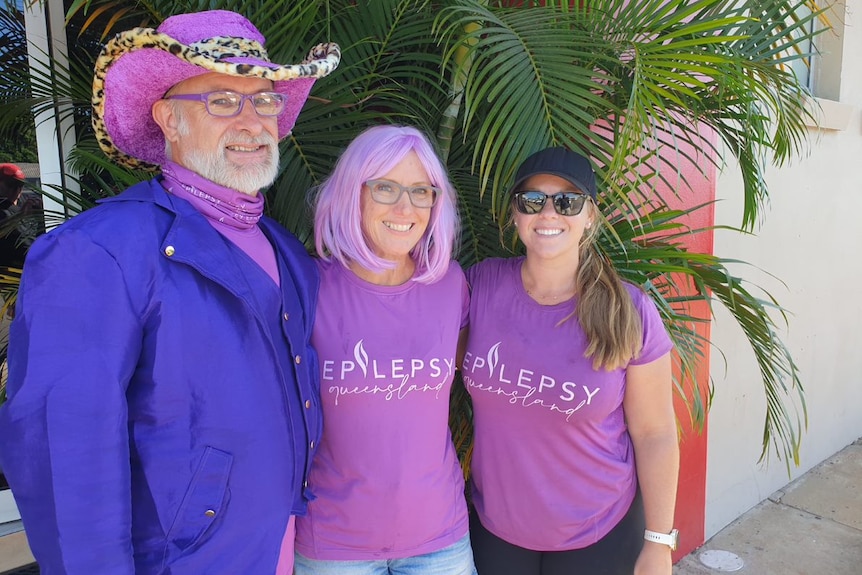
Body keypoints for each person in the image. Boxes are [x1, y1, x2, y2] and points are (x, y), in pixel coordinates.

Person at [0, 10, 339, 574]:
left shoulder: (284, 250)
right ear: (168, 119)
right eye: (223, 101)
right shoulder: (99, 252)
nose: (251, 122)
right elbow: (64, 454)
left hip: (273, 544)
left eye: (263, 100)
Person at [462, 147, 679, 575]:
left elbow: (655, 433)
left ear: (590, 217)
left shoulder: (628, 311)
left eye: (567, 202)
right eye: (532, 201)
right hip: (495, 532)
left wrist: (659, 543)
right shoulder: (481, 286)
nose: (549, 213)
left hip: (601, 534)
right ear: (515, 215)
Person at [294, 125, 477, 575]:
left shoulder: (450, 284)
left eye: (421, 191)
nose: (404, 207)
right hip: (334, 540)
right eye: (385, 187)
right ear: (351, 193)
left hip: (440, 536)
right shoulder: (307, 286)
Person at [0, 163, 30, 269]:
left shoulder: (16, 208)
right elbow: (28, 250)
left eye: (20, 185)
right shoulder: (5, 212)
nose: (17, 190)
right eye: (10, 184)